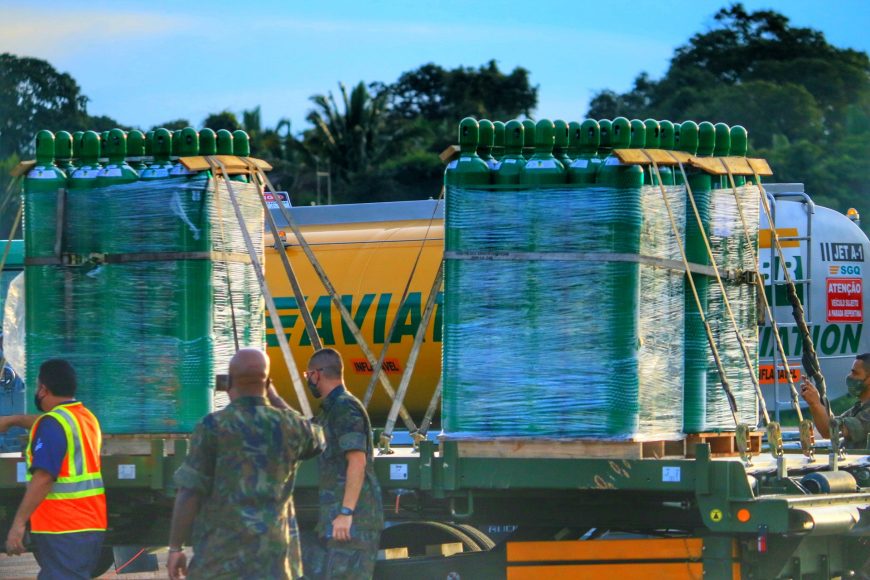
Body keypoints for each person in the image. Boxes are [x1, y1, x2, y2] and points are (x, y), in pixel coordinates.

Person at [167, 348, 325, 580]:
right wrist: (275, 398)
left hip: (220, 561)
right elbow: (318, 438)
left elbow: (189, 492)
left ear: (229, 383)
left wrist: (175, 548)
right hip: (274, 562)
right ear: (267, 383)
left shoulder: (212, 426)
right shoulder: (290, 426)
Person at [0, 358, 107, 579]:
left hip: (63, 527)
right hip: (88, 524)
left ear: (43, 389)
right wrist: (14, 420)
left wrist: (18, 524)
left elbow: (44, 478)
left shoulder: (54, 424)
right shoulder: (86, 418)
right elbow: (47, 422)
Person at [299, 348, 384, 580]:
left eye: (307, 375)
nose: (308, 380)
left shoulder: (344, 408)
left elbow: (357, 461)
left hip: (353, 523)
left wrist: (346, 513)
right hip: (343, 522)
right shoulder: (330, 410)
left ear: (317, 374)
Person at [801, 353, 870, 449]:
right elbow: (830, 427)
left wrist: (815, 403)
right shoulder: (859, 407)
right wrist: (815, 401)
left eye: (855, 373)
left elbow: (830, 430)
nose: (850, 376)